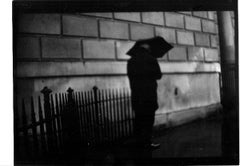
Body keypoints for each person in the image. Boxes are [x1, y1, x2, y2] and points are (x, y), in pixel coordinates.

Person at [127, 42, 162, 149]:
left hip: (137, 95)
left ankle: (138, 142)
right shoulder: (151, 59)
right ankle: (147, 142)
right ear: (147, 47)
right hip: (149, 95)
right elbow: (158, 75)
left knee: (138, 119)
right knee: (149, 119)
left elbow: (131, 77)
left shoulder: (131, 61)